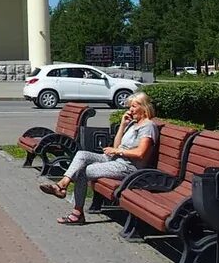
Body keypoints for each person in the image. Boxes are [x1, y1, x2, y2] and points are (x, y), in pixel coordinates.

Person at [38, 92, 158, 225]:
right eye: (130, 107)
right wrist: (123, 125)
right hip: (115, 160)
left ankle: (76, 213)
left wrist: (117, 151)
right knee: (82, 155)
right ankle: (62, 184)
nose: (130, 110)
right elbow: (117, 145)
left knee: (84, 171)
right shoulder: (134, 124)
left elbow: (141, 153)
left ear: (144, 107)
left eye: (134, 106)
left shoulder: (148, 126)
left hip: (128, 167)